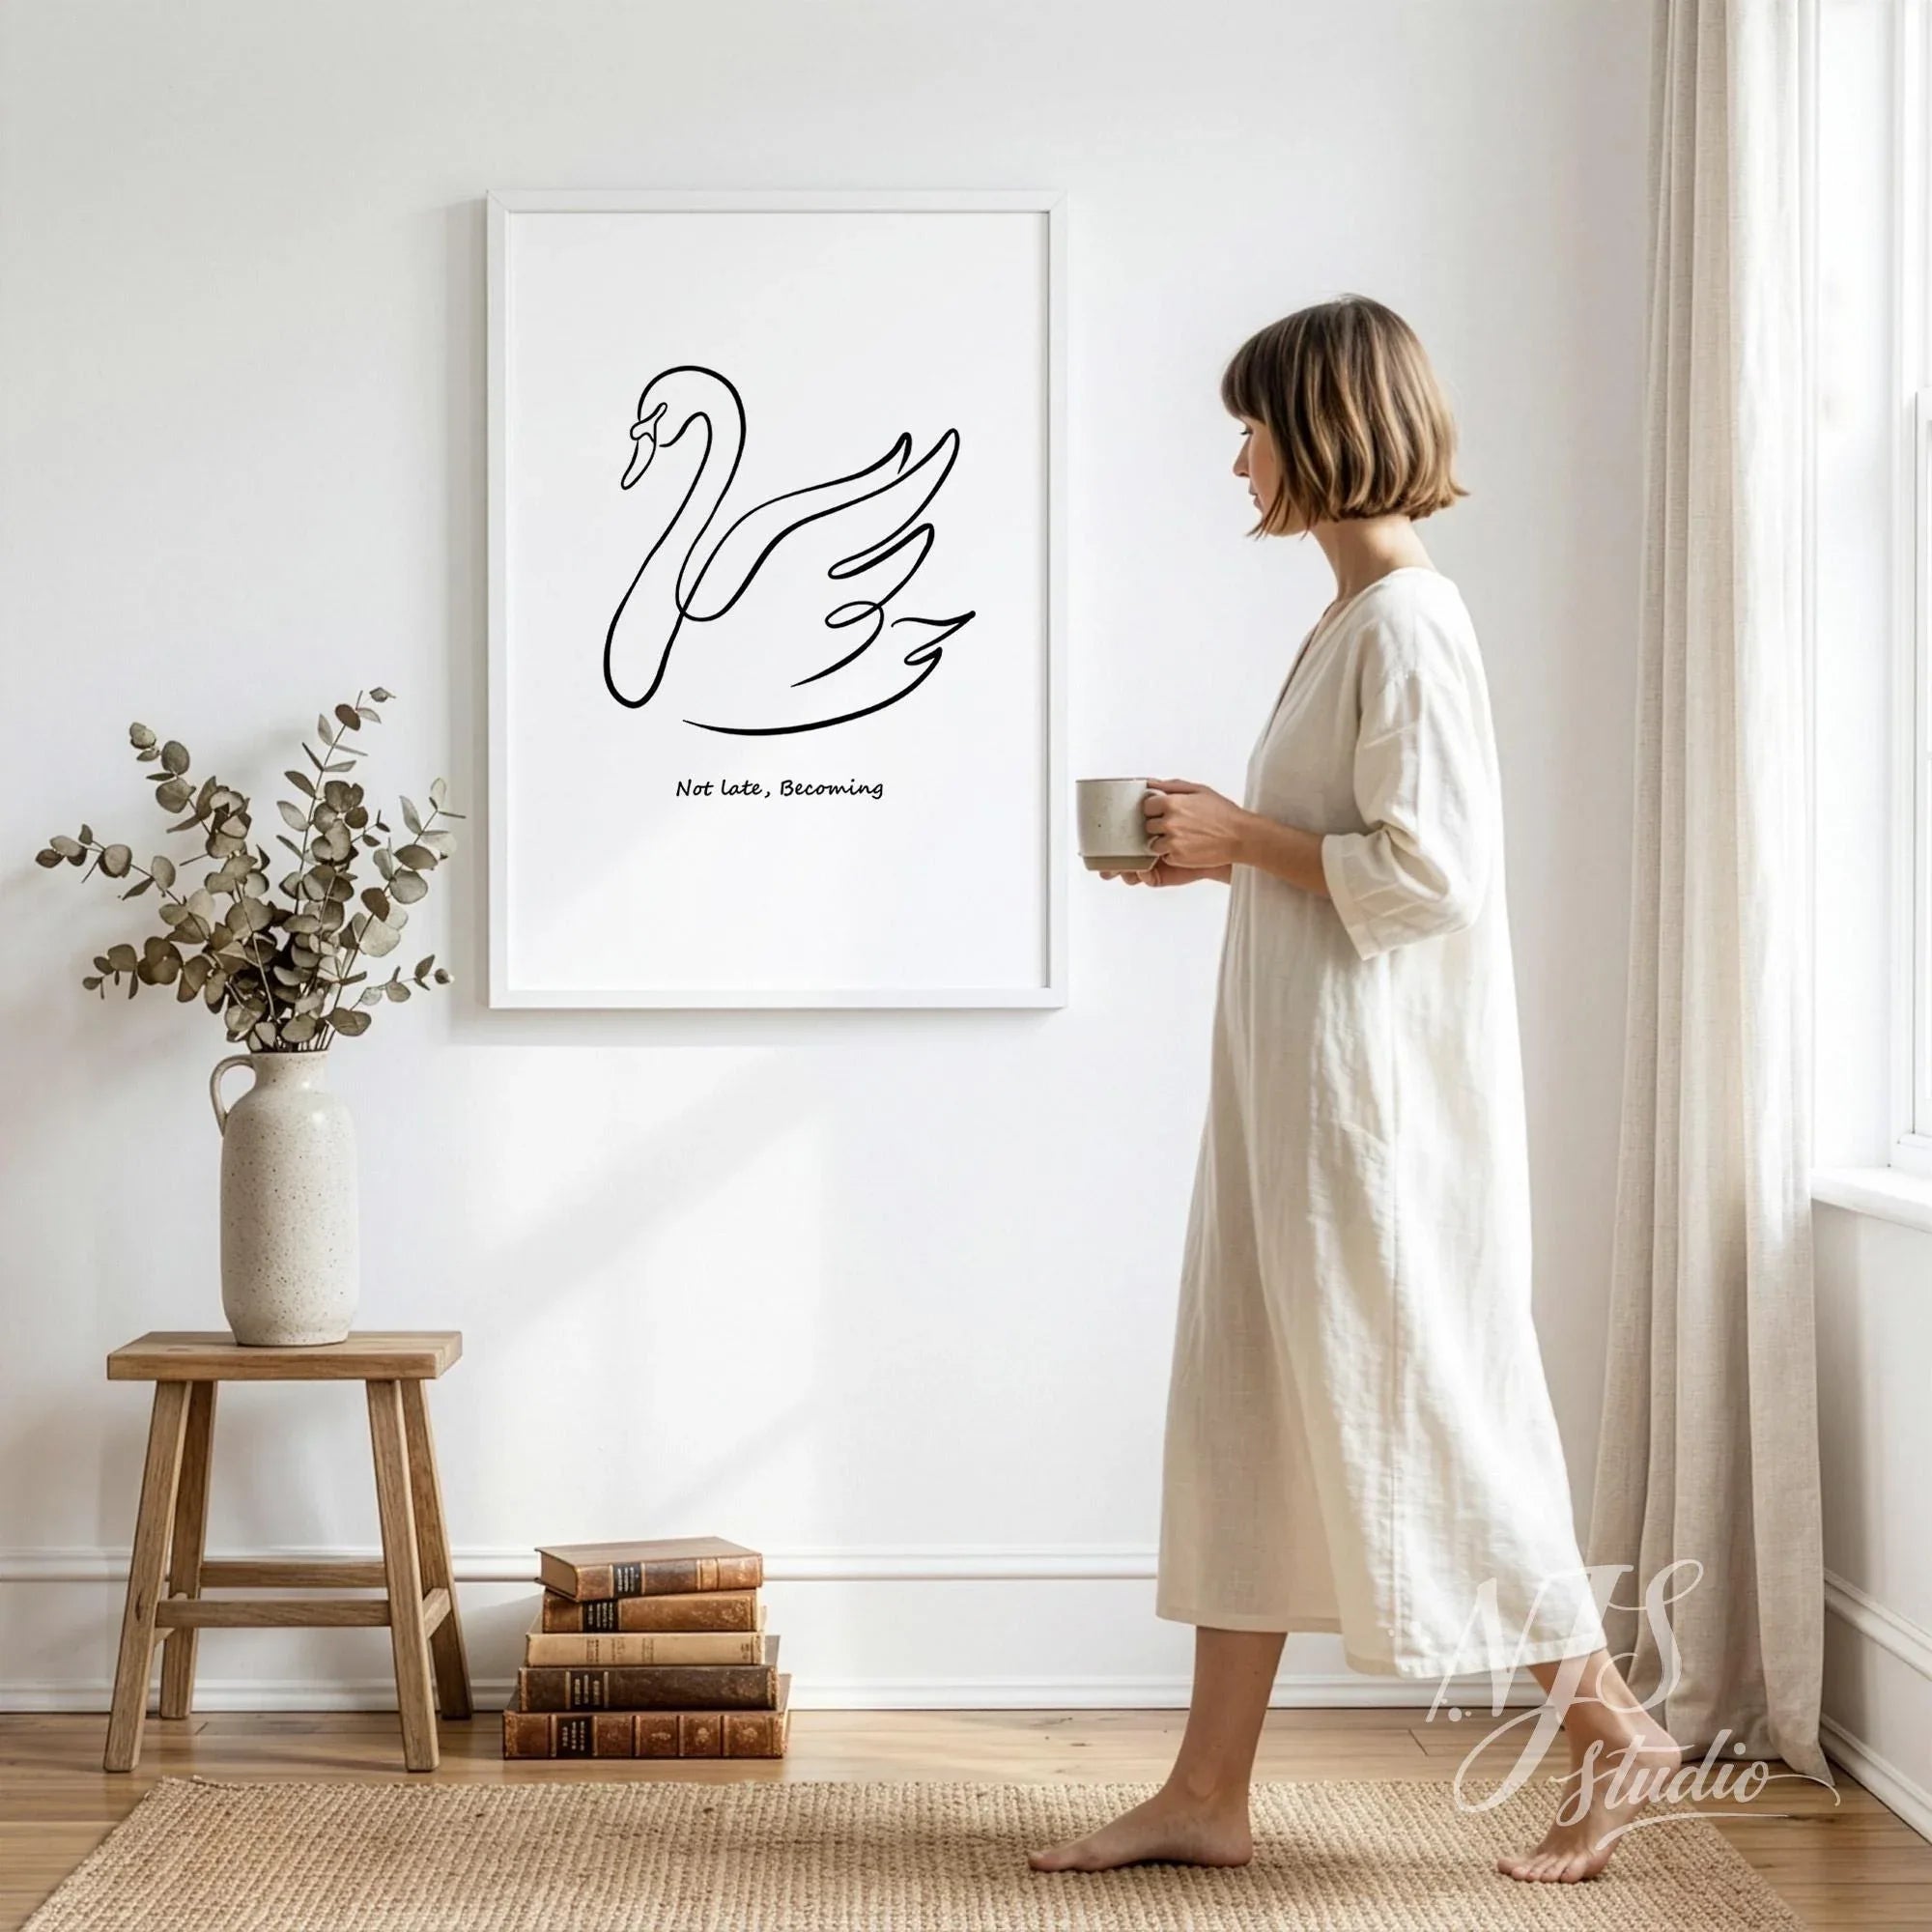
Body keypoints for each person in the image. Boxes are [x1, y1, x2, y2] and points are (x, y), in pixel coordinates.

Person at [1029, 297, 1679, 1887]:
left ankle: (1618, 1736)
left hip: (1369, 1120)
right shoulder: (1348, 621)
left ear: (1323, 430)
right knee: (1250, 1403)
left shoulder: (1405, 623)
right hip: (1294, 1093)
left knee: (1433, 1409)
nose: (1237, 455)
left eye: (1251, 424)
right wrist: (1228, 858)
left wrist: (1244, 839)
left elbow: (1431, 876)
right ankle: (1207, 1788)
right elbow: (1356, 858)